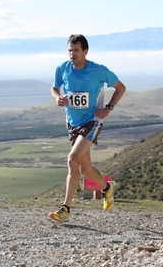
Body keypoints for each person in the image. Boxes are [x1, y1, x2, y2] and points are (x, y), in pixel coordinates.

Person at [49, 34, 126, 223]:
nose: (72, 54)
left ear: (85, 51)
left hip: (92, 121)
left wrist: (108, 108)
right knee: (85, 168)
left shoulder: (98, 70)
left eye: (76, 50)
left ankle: (65, 209)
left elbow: (120, 88)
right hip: (73, 123)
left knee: (72, 159)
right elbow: (54, 88)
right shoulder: (62, 68)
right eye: (69, 50)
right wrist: (57, 98)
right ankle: (107, 188)